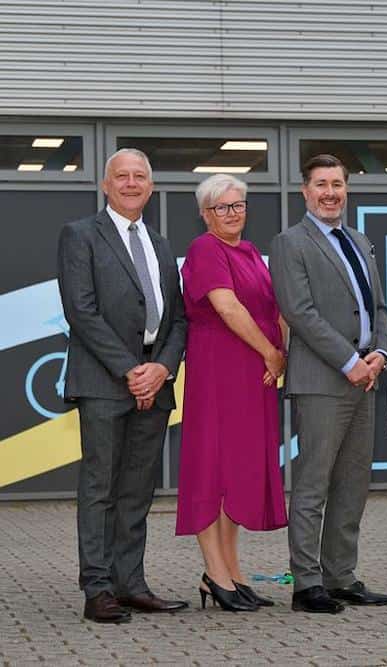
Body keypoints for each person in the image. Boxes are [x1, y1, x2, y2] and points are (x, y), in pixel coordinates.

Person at [56, 148, 188, 623]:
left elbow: (178, 319)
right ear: (105, 185)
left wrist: (161, 369)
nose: (131, 183)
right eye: (122, 176)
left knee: (137, 490)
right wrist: (131, 371)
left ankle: (130, 583)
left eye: (140, 177)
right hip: (104, 380)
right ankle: (97, 589)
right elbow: (81, 312)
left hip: (155, 381)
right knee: (99, 487)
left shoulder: (161, 242)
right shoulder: (80, 236)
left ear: (150, 187)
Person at [269, 154, 387, 615]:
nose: (330, 192)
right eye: (321, 184)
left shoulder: (359, 241)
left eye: (337, 184)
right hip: (323, 379)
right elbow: (300, 313)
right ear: (305, 191)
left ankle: (341, 576)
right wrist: (348, 361)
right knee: (313, 484)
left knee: (352, 483)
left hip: (366, 379)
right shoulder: (290, 243)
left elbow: (378, 307)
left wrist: (380, 352)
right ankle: (307, 584)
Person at [176, 174, 289, 612]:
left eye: (237, 204)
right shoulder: (207, 249)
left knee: (234, 473)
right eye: (221, 207)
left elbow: (274, 308)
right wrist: (270, 353)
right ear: (205, 214)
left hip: (255, 374)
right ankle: (213, 574)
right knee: (211, 468)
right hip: (220, 371)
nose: (231, 213)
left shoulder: (249, 253)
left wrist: (278, 353)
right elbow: (227, 307)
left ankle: (233, 573)